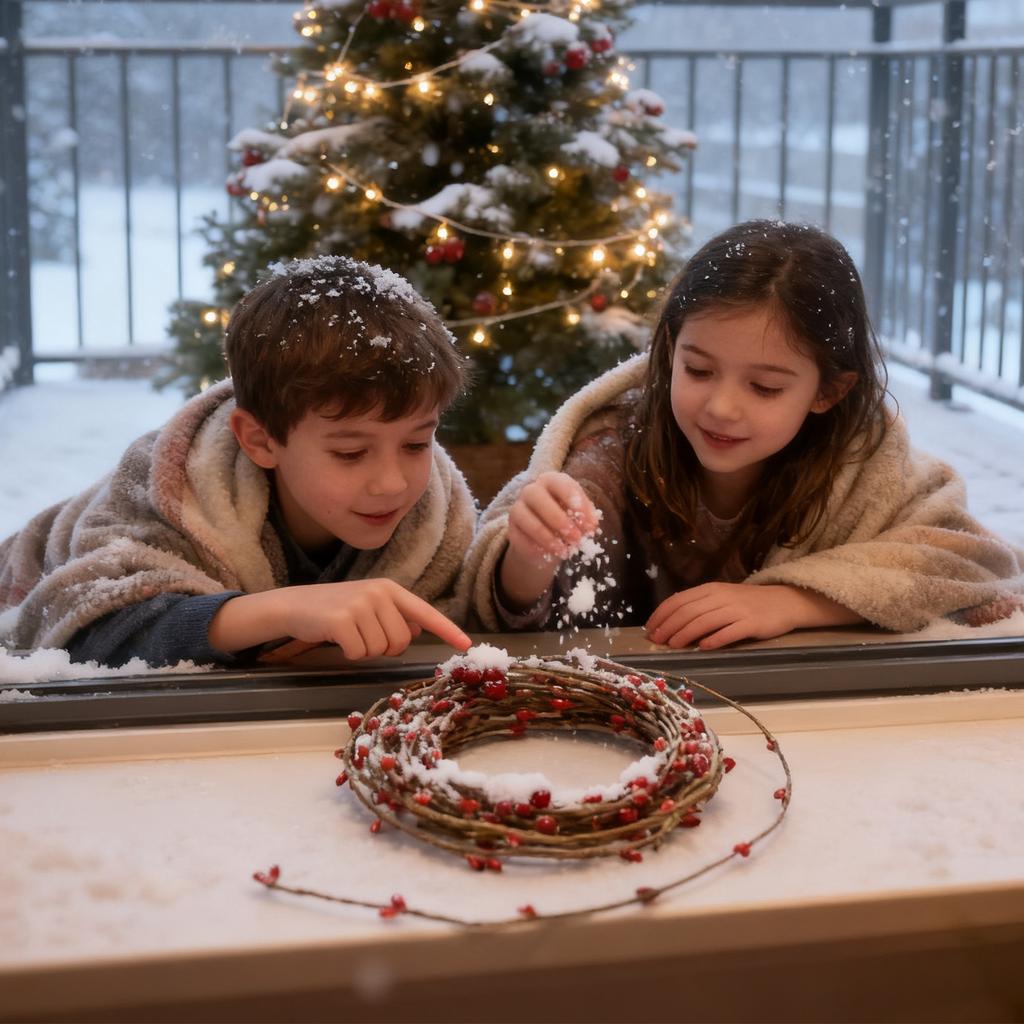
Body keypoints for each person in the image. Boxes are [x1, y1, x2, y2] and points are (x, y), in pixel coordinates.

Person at [461, 220, 1024, 648]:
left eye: (766, 388)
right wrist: (529, 557)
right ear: (669, 351)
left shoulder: (864, 461)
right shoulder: (610, 449)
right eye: (699, 370)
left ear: (827, 391)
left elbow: (971, 561)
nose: (722, 408)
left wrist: (796, 600)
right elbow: (509, 612)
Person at [0, 256, 476, 666]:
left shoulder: (437, 513)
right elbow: (81, 632)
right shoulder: (167, 484)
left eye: (416, 444)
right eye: (350, 453)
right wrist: (275, 612)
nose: (392, 483)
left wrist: (520, 566)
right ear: (260, 439)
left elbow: (469, 604)